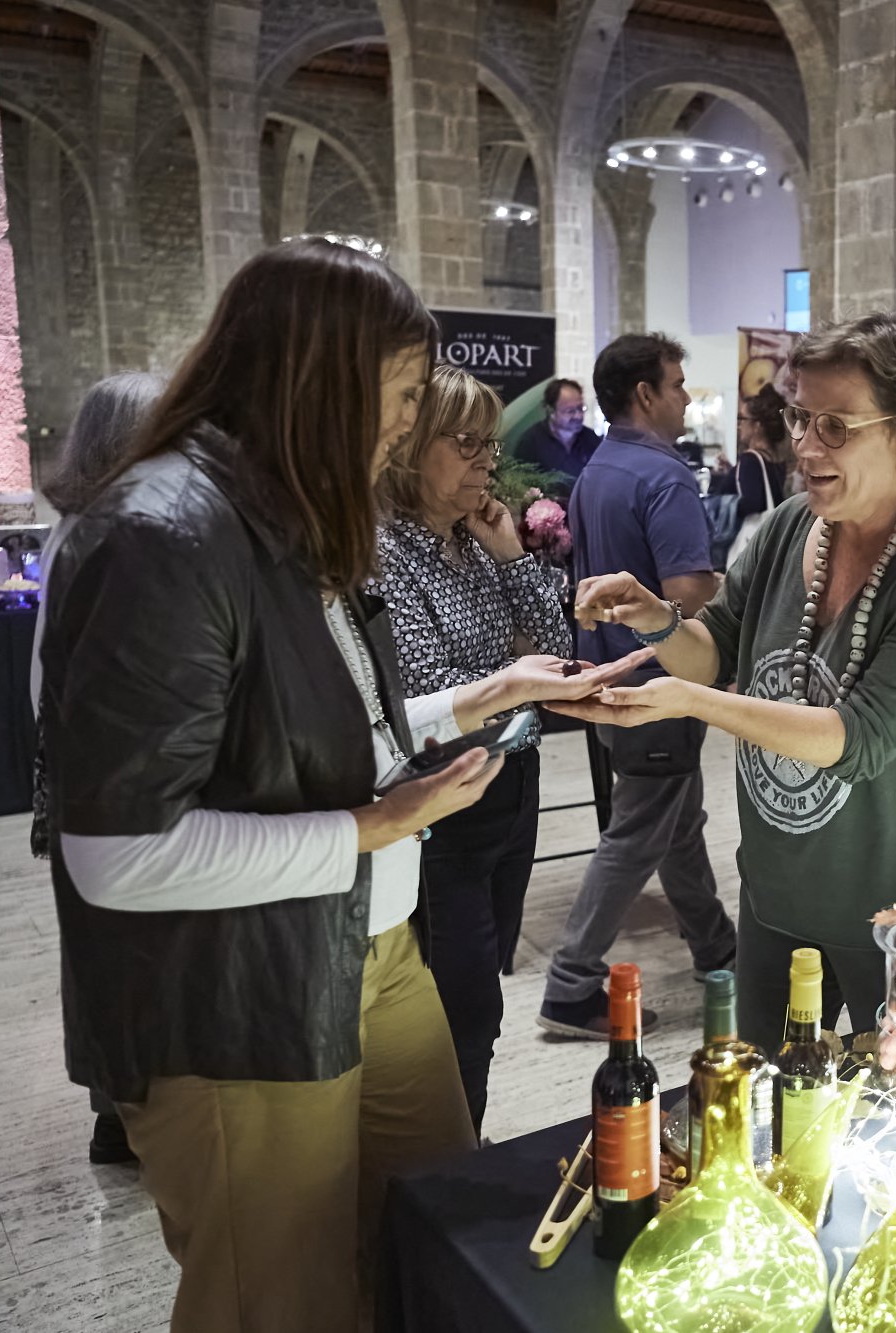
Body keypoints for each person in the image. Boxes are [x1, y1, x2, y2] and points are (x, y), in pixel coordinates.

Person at [38, 240, 630, 1333]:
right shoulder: (163, 536)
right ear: (321, 380)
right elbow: (119, 853)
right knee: (282, 1298)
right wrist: (374, 824)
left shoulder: (291, 514)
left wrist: (486, 693)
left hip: (374, 946)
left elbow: (334, 729)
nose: (406, 430)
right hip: (240, 997)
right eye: (403, 398)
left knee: (432, 1237)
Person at [549, 312, 896, 1053]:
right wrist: (657, 618)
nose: (805, 443)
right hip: (778, 892)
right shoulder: (793, 526)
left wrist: (695, 704)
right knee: (767, 1103)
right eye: (799, 416)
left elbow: (857, 740)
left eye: (836, 425)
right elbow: (715, 650)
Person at [370, 365, 575, 1133]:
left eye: (490, 444)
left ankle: (460, 1140)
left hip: (511, 788)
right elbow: (422, 694)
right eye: (466, 443)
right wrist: (509, 681)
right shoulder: (389, 551)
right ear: (410, 448)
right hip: (438, 810)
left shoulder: (476, 540)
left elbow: (556, 656)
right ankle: (450, 1162)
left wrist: (514, 555)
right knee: (463, 1005)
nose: (487, 460)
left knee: (478, 991)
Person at [538, 333, 739, 1040]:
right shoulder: (664, 475)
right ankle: (570, 984)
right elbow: (687, 592)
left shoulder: (597, 469)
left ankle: (718, 948)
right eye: (679, 384)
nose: (687, 398)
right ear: (647, 394)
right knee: (638, 832)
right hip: (657, 682)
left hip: (612, 680)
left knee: (675, 821)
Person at [27, 371, 166, 1167]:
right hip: (102, 778)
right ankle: (118, 1112)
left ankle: (120, 1107)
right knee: (110, 950)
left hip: (102, 772)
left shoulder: (105, 524)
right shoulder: (98, 532)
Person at [733, 383, 791, 557]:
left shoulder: (750, 460)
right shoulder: (774, 460)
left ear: (757, 425)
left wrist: (723, 502)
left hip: (750, 542)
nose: (739, 425)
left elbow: (751, 503)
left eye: (742, 418)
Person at [513, 377, 601, 491]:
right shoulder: (530, 442)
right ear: (551, 411)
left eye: (580, 408)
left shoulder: (591, 439)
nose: (578, 416)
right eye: (570, 411)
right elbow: (520, 487)